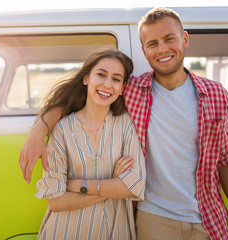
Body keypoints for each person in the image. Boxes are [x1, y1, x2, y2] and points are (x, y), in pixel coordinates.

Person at [19, 8, 228, 240]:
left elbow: (226, 158)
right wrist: (39, 129)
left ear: (184, 39)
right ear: (144, 51)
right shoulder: (132, 90)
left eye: (169, 39)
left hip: (208, 217)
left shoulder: (215, 94)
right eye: (153, 43)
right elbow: (78, 98)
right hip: (154, 219)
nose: (162, 49)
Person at [33, 49, 146, 240]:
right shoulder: (62, 129)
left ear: (122, 88)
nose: (107, 84)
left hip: (115, 233)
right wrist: (113, 185)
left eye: (116, 79)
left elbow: (134, 187)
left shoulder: (127, 124)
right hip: (65, 232)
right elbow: (56, 201)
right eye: (101, 75)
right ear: (86, 79)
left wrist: (80, 185)